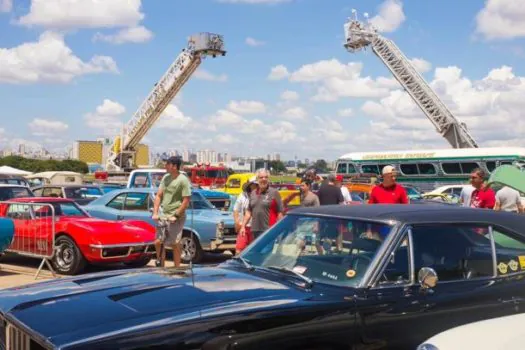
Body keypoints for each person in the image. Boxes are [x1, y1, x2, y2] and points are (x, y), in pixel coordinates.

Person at [152, 156, 192, 267]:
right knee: (158, 242)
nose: (165, 166)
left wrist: (176, 215)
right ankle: (162, 266)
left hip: (176, 217)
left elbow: (186, 201)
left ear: (174, 166)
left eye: (167, 164)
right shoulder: (165, 178)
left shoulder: (183, 180)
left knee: (175, 243)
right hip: (164, 215)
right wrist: (155, 212)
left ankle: (177, 267)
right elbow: (159, 195)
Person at [240, 168, 284, 240]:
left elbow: (280, 212)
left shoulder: (274, 192)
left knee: (266, 251)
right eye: (261, 177)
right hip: (255, 231)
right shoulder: (253, 193)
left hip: (269, 230)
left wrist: (280, 229)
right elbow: (248, 212)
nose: (264, 179)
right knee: (256, 251)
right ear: (257, 179)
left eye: (266, 177)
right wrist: (243, 226)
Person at [233, 176, 258, 254]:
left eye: (257, 185)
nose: (256, 186)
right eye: (254, 184)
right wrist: (237, 222)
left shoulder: (261, 195)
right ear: (250, 185)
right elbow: (236, 209)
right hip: (244, 227)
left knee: (254, 250)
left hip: (256, 227)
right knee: (239, 249)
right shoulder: (242, 196)